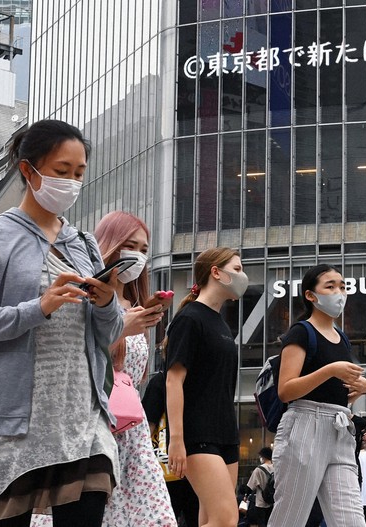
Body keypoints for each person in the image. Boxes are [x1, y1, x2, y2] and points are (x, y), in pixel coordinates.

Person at [0, 119, 124, 525]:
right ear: (29, 170)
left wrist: (108, 303)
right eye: (61, 172)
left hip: (82, 416)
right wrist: (37, 308)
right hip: (13, 422)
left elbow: (107, 337)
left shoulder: (84, 244)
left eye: (79, 173)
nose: (72, 183)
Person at [268, 264, 366, 527]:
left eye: (342, 286)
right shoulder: (301, 332)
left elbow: (337, 394)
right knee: (290, 518)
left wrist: (361, 388)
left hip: (339, 427)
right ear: (310, 295)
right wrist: (330, 370)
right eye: (330, 286)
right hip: (304, 424)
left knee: (352, 521)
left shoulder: (341, 338)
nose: (339, 292)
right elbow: (286, 390)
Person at [94, 211, 177, 526]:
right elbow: (78, 358)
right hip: (97, 425)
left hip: (132, 428)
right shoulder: (91, 300)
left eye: (144, 249)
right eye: (131, 246)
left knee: (154, 516)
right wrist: (120, 329)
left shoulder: (134, 306)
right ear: (110, 246)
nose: (138, 256)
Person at [166, 247, 249, 527]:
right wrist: (176, 439)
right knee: (226, 518)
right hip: (197, 432)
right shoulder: (189, 319)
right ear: (216, 272)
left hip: (225, 431)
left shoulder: (221, 324)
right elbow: (173, 379)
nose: (242, 276)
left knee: (211, 518)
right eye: (236, 269)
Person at [141, 369, 200, 527]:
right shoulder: (198, 380)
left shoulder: (160, 381)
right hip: (195, 465)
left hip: (167, 470)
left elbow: (148, 426)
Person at [244, 448, 274, 527]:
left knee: (261, 523)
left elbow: (250, 486)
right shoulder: (276, 468)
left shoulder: (259, 469)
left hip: (261, 502)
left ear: (263, 457)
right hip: (273, 501)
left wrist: (246, 496)